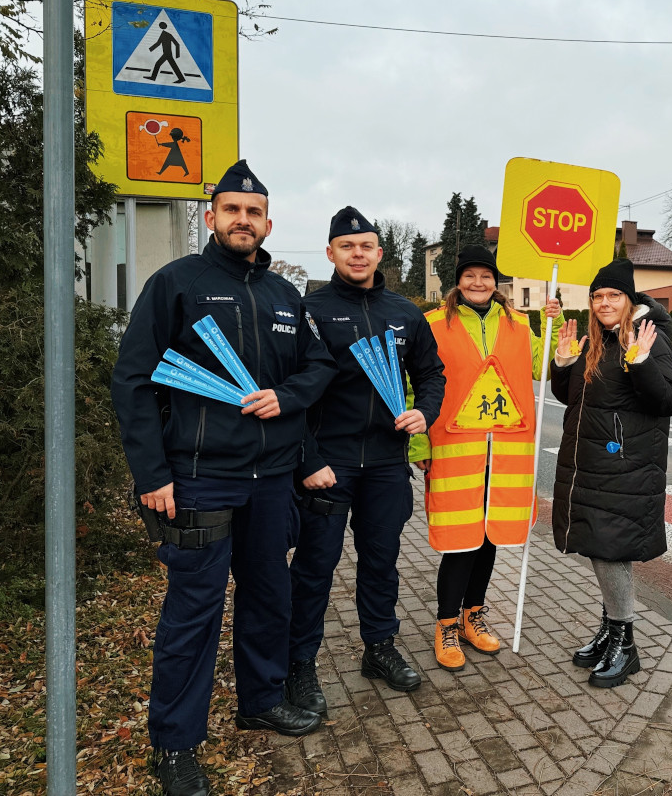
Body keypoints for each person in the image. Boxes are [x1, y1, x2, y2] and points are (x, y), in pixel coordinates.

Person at [111, 161, 337, 796]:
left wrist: (286, 398)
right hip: (199, 478)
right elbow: (132, 381)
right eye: (232, 209)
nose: (244, 220)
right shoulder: (177, 285)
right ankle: (176, 743)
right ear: (210, 217)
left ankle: (260, 700)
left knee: (270, 596)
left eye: (255, 212)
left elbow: (318, 369)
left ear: (269, 223)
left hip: (272, 481)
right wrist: (152, 472)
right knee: (194, 612)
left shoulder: (286, 296)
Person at [285, 207, 446, 715]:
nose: (358, 254)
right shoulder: (308, 310)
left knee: (381, 563)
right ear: (331, 253)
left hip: (384, 464)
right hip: (327, 465)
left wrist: (425, 411)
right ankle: (300, 665)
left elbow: (432, 373)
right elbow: (291, 391)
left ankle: (378, 648)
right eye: (347, 246)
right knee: (315, 569)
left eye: (367, 246)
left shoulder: (405, 312)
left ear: (380, 253)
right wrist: (308, 458)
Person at [416, 244, 560, 671]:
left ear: (496, 282)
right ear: (456, 281)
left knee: (491, 536)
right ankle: (445, 622)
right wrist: (418, 443)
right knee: (460, 541)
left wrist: (556, 337)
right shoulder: (432, 325)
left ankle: (472, 616)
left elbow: (542, 366)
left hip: (507, 455)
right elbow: (415, 385)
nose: (478, 283)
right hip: (455, 452)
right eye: (469, 275)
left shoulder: (518, 323)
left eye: (485, 276)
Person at [550, 258, 672, 688]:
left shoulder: (648, 336)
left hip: (625, 465)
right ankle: (611, 630)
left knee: (611, 550)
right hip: (591, 462)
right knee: (599, 546)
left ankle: (625, 645)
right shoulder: (595, 338)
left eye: (613, 295)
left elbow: (667, 400)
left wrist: (642, 361)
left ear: (628, 299)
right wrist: (562, 362)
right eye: (598, 296)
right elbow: (572, 397)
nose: (604, 302)